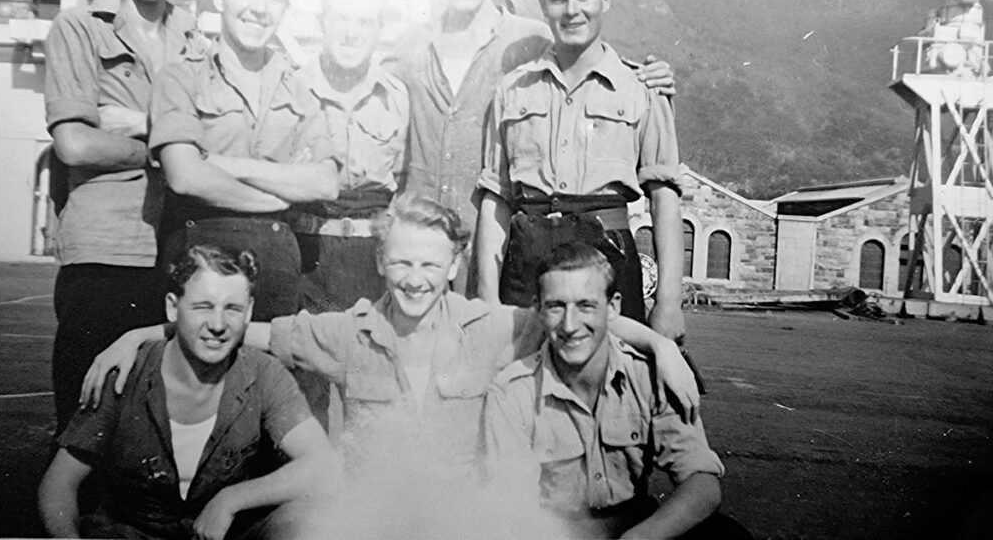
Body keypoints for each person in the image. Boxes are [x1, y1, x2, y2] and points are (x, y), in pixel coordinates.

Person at [81, 195, 699, 487]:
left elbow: (577, 321)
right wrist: (142, 333)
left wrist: (661, 345)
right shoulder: (346, 334)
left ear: (454, 265)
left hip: (457, 520)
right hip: (364, 518)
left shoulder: (491, 329)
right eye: (402, 263)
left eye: (430, 266)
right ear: (380, 261)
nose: (415, 280)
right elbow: (239, 328)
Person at [388, 0, 677, 296]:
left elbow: (584, 61)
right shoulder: (419, 51)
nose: (571, 9)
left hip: (571, 253)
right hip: (471, 248)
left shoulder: (547, 46)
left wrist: (651, 77)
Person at [38, 245, 339, 540]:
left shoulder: (263, 373)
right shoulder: (127, 373)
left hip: (220, 534)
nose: (218, 325)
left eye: (232, 308)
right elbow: (59, 484)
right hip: (131, 533)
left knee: (309, 518)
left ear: (248, 311)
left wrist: (233, 499)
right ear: (172, 306)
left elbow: (322, 464)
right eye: (203, 307)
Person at [476, 0, 686, 339]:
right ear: (542, 3)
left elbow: (665, 200)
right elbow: (496, 200)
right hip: (527, 266)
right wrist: (487, 301)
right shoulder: (512, 91)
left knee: (610, 391)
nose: (572, 10)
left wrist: (669, 303)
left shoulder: (642, 89)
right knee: (521, 388)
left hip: (607, 259)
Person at [44, 0, 195, 434]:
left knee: (158, 422)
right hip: (105, 249)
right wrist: (168, 146)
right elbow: (75, 147)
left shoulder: (195, 38)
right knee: (89, 417)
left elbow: (214, 140)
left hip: (176, 246)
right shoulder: (79, 29)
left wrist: (136, 125)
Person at [483, 242, 749, 540]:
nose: (571, 325)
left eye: (586, 305)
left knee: (726, 535)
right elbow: (512, 510)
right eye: (557, 306)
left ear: (613, 308)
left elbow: (702, 483)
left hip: (633, 527)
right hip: (551, 532)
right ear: (539, 310)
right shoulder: (512, 392)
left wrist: (640, 538)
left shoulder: (648, 376)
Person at [150, 0, 339, 321]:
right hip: (198, 259)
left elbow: (325, 183)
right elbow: (186, 176)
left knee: (266, 376)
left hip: (277, 265)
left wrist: (219, 164)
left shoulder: (299, 88)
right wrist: (279, 195)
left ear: (285, 8)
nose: (259, 8)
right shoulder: (180, 77)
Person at [288, 0, 409, 312]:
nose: (352, 34)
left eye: (365, 22)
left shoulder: (397, 97)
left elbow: (402, 183)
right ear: (320, 22)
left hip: (372, 261)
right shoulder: (290, 89)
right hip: (304, 254)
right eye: (341, 19)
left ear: (380, 29)